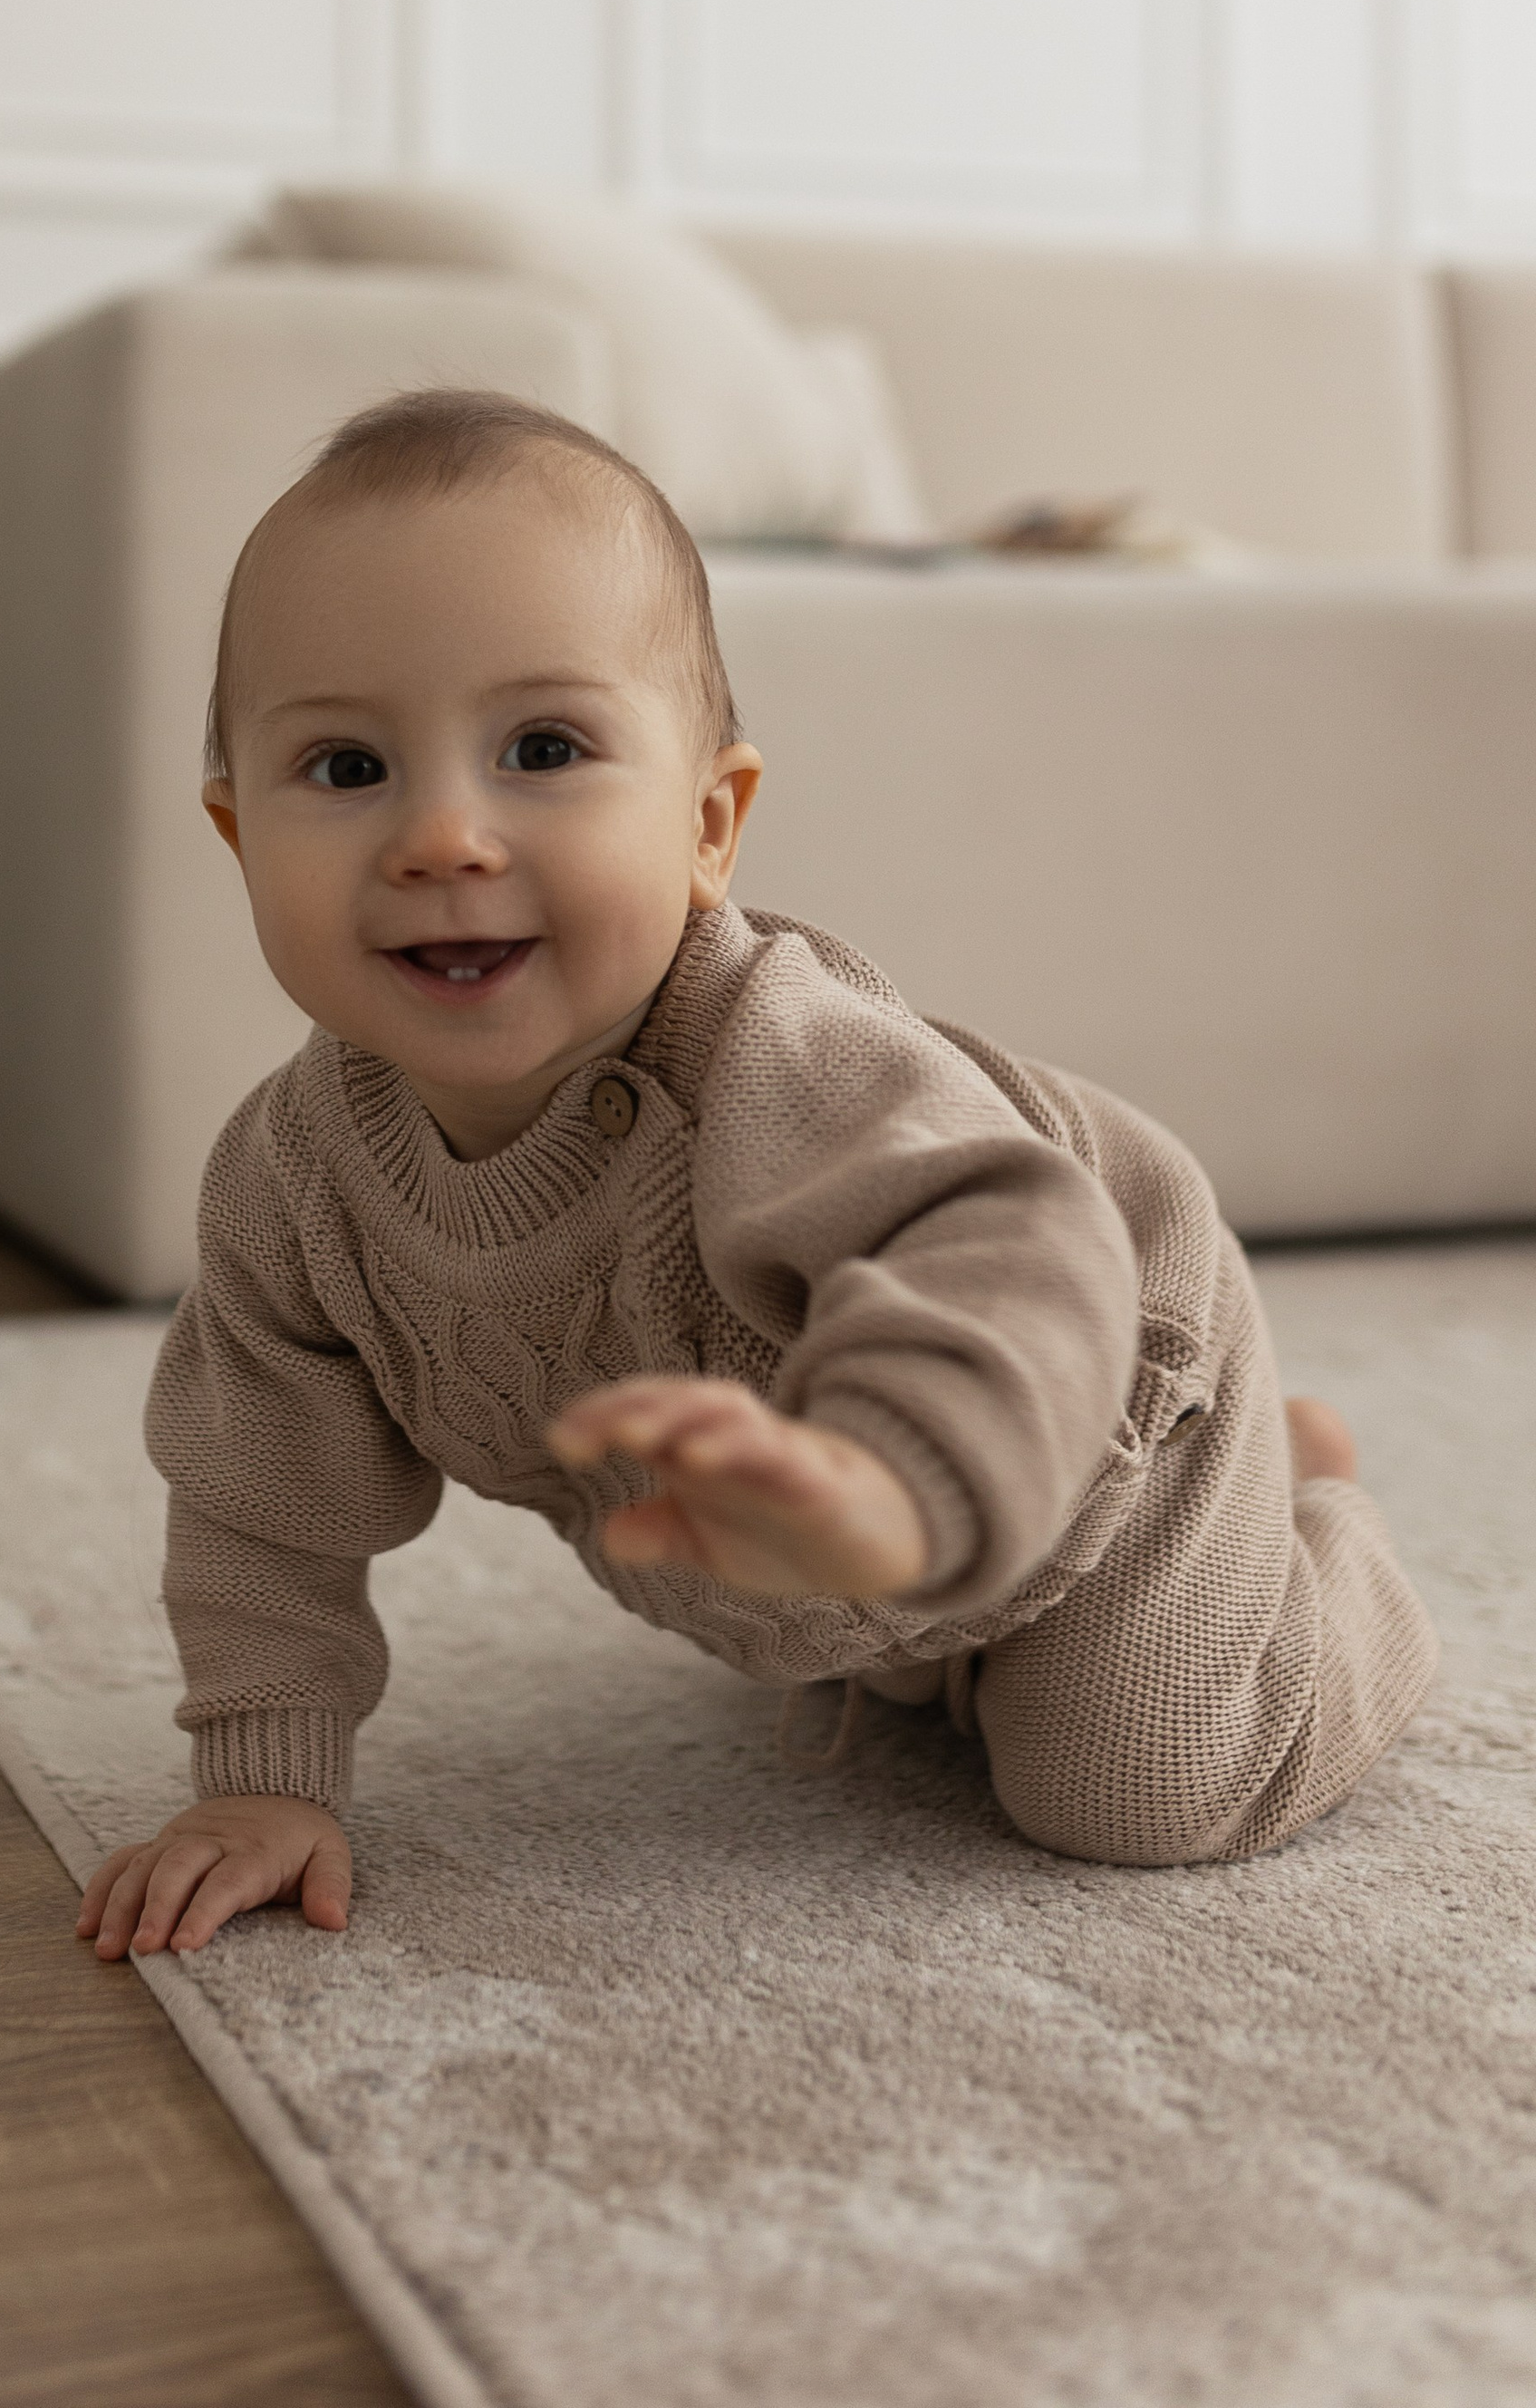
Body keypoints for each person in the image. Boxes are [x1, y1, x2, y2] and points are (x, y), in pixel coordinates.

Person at [77, 390, 1435, 1962]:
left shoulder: (779, 1063)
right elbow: (261, 1500)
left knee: (1136, 1791)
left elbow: (1010, 1244)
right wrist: (261, 1780)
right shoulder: (289, 1185)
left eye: (542, 749)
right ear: (238, 837)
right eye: (344, 766)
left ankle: (1314, 1524)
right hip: (853, 1551)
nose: (444, 833)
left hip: (1099, 1391)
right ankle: (952, 1598)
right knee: (838, 1619)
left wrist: (887, 1485)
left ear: (711, 825)